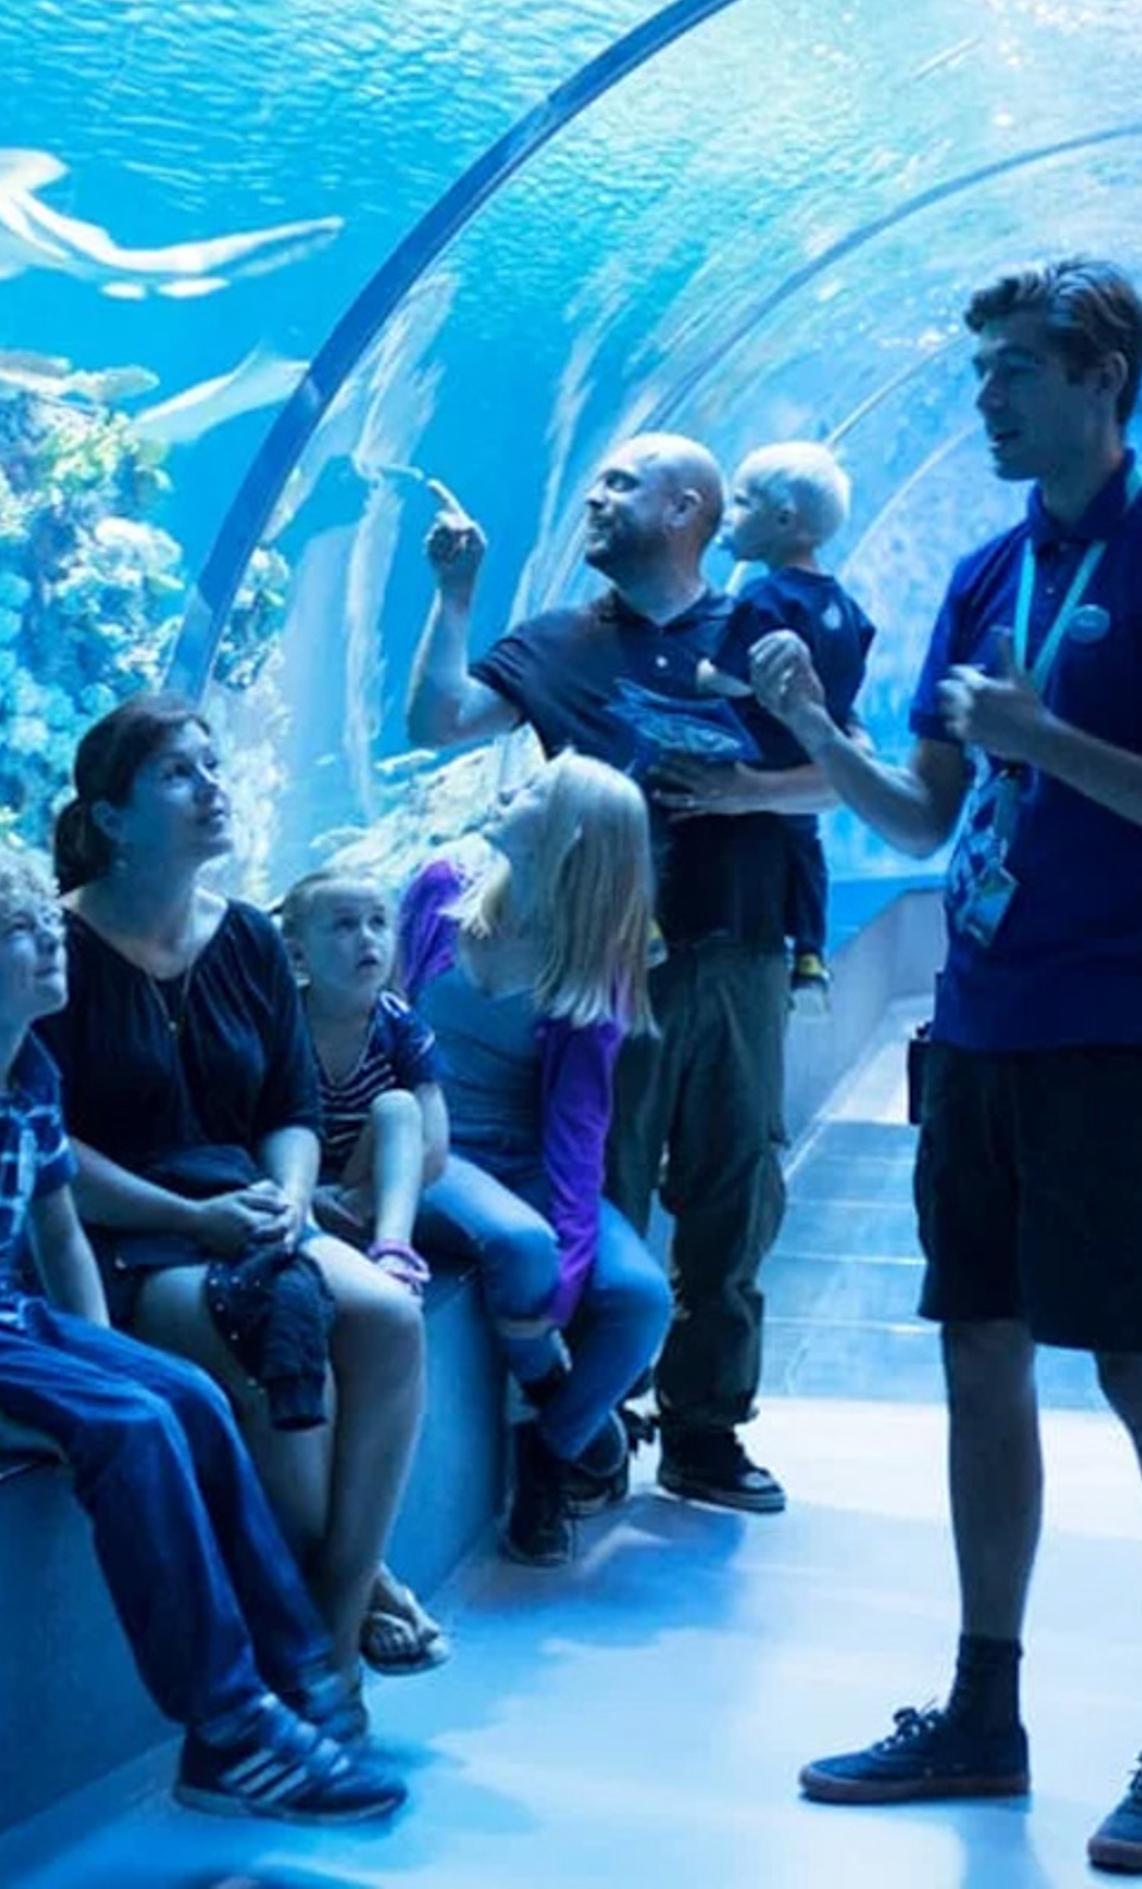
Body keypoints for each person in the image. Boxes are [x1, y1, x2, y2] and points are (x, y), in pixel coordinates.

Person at [753, 258, 1142, 1877]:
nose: (985, 401)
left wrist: (1053, 745)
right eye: (979, 378)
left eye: (1012, 376)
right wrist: (817, 734)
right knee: (979, 1353)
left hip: (1115, 1033)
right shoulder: (986, 576)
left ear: (1100, 375)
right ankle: (988, 1714)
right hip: (975, 1027)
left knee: (1139, 1371)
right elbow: (924, 819)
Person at [0, 842, 402, 1828]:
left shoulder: (28, 1073)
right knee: (127, 1427)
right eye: (21, 932)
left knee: (191, 1398)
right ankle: (228, 1727)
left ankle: (298, 1677)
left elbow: (57, 1233)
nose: (52, 941)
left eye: (49, 924)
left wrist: (97, 1355)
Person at [405, 432, 797, 1517]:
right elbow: (436, 720)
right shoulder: (556, 642)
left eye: (621, 484)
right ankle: (586, 1423)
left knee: (732, 1184)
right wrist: (455, 593)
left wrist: (747, 796)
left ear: (686, 508)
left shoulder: (767, 632)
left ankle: (706, 1428)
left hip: (729, 949)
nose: (594, 494)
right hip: (589, 964)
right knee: (602, 1170)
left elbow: (850, 777)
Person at [42, 699, 436, 1689]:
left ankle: (332, 1625)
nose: (212, 787)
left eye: (213, 766)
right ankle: (339, 1634)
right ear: (111, 818)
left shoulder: (253, 939)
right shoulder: (54, 952)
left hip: (247, 1212)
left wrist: (290, 1196)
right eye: (178, 773)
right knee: (265, 1339)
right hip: (121, 1239)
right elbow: (38, 1149)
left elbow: (289, 1105)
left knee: (386, 1316)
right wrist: (186, 1217)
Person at [396, 754, 674, 1569]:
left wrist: (572, 1269)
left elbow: (577, 1135)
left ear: (571, 834)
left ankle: (546, 1456)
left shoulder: (590, 962)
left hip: (522, 1161)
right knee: (519, 1245)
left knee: (640, 1300)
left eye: (533, 794)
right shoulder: (439, 886)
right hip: (428, 1141)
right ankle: (561, 1401)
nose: (508, 792)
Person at [718, 441, 879, 1011]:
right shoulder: (846, 604)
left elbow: (734, 680)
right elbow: (851, 672)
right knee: (805, 848)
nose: (727, 515)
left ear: (784, 520)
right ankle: (810, 957)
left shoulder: (764, 596)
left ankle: (647, 931)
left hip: (759, 750)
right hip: (809, 760)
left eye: (740, 503)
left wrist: (701, 674)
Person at [279, 872, 442, 1289]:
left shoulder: (400, 1027)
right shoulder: (279, 1024)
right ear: (298, 956)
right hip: (296, 1184)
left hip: (367, 1186)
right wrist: (306, 1195)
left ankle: (393, 1252)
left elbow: (435, 1147)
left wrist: (361, 1200)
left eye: (378, 922)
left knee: (398, 1106)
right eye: (345, 925)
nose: (368, 938)